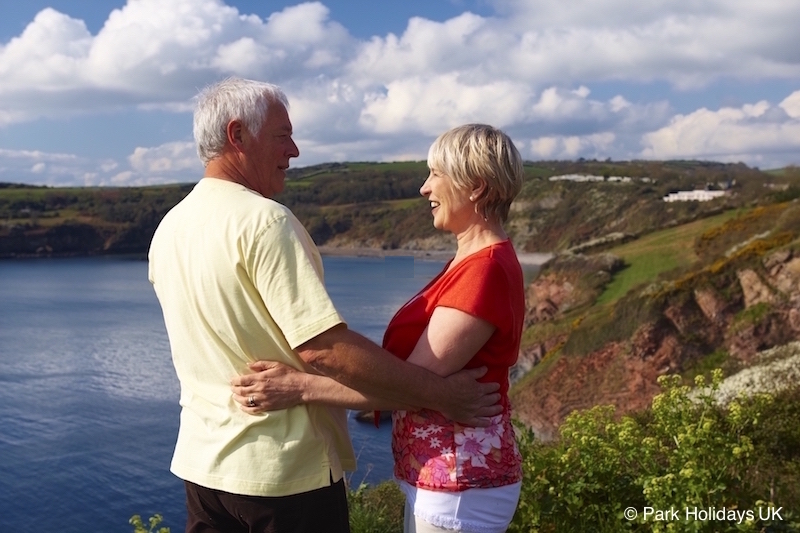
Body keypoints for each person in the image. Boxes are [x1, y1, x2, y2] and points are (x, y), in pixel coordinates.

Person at [148, 78, 502, 533]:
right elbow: (324, 350)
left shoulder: (170, 229)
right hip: (283, 473)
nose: (294, 151)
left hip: (204, 471)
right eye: (283, 136)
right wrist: (440, 394)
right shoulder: (264, 222)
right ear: (237, 136)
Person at [233, 123, 525, 533]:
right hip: (444, 474)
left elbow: (408, 383)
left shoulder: (485, 271)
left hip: (461, 480)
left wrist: (298, 387)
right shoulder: (471, 263)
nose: (425, 188)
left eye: (436, 174)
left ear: (475, 186)